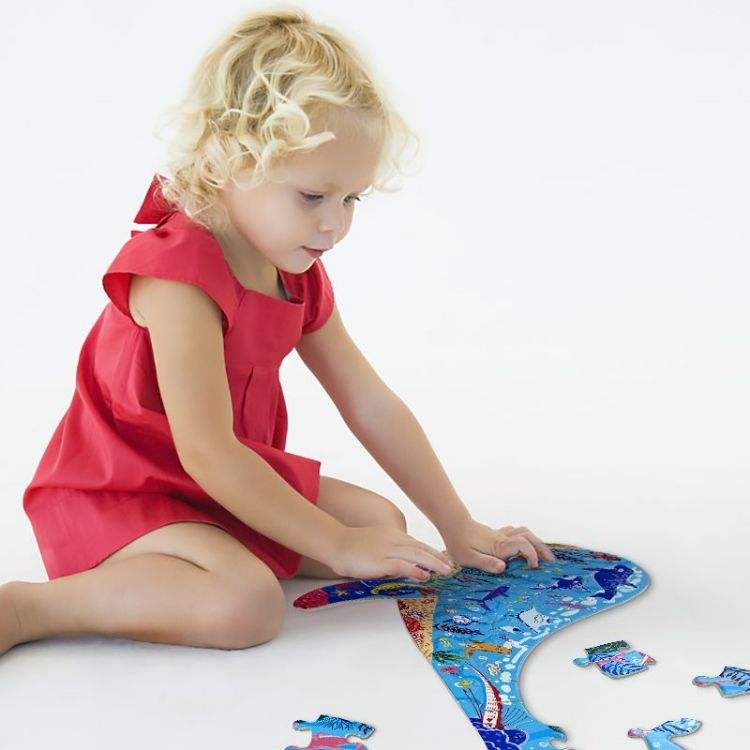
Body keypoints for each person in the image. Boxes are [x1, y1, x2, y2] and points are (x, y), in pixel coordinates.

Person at [1, 7, 554, 656]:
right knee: (247, 605)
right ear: (233, 160)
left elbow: (368, 402)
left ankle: (208, 552)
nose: (334, 225)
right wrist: (335, 544)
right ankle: (31, 608)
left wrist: (457, 524)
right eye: (313, 196)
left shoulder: (293, 270)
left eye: (351, 199)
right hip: (126, 487)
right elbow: (207, 451)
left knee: (383, 523)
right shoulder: (176, 276)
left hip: (220, 480)